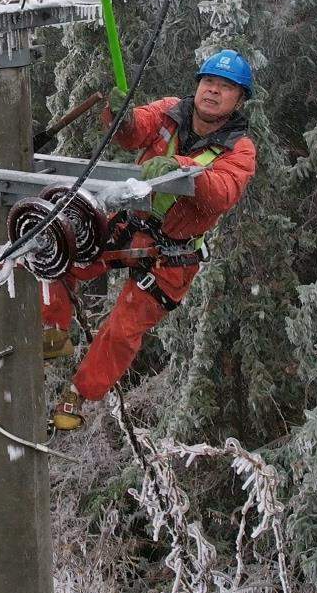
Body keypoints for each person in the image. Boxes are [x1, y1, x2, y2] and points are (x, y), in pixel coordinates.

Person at [44, 49, 258, 432]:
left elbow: (224, 191)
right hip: (129, 225)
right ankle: (54, 329)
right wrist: (121, 118)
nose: (213, 92)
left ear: (238, 100)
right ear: (198, 86)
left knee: (124, 329)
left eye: (226, 88)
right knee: (59, 251)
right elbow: (134, 131)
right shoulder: (170, 113)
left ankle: (79, 392)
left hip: (170, 255)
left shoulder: (238, 149)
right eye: (209, 82)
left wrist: (183, 168)